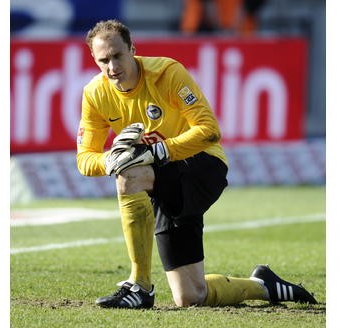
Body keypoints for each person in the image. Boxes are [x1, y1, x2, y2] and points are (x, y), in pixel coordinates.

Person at [76, 19, 317, 308]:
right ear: (95, 60)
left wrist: (158, 151)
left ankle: (139, 286)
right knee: (190, 296)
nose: (112, 67)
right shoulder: (95, 93)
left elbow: (209, 130)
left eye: (118, 56)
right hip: (162, 182)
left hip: (202, 165)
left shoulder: (167, 73)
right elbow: (84, 158)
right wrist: (108, 159)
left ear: (132, 49)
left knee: (130, 175)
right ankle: (264, 286)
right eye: (104, 60)